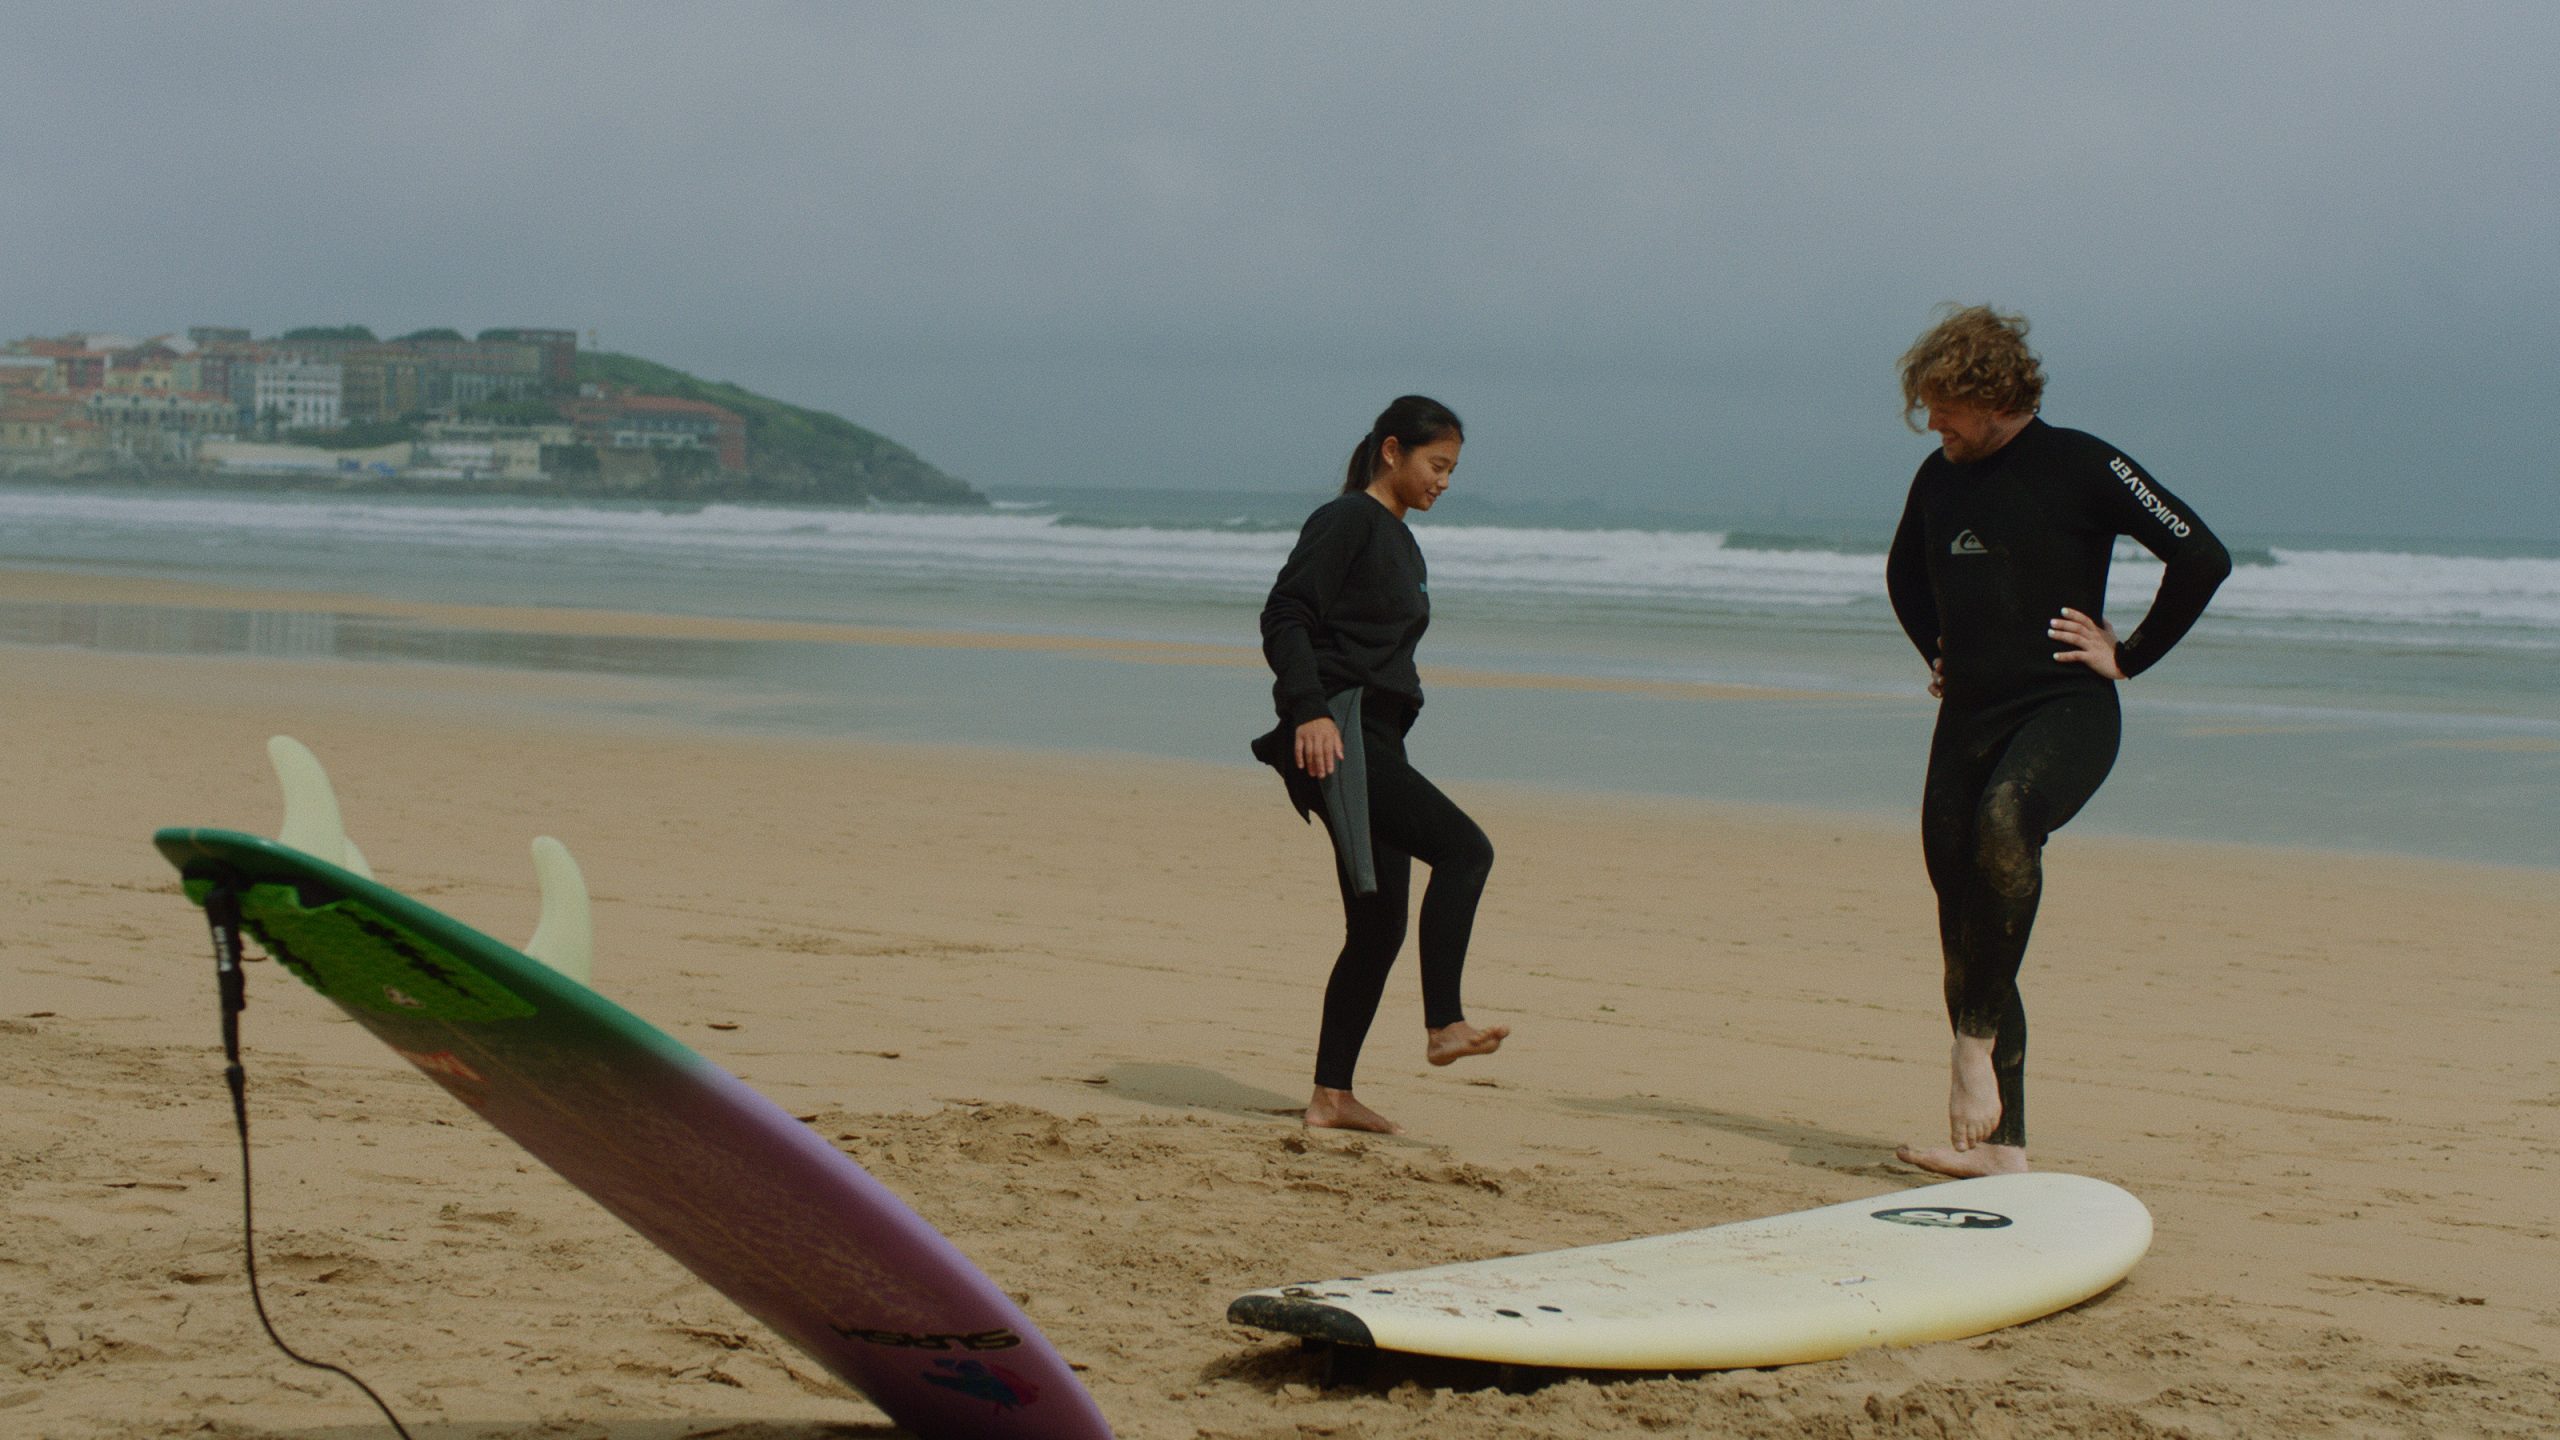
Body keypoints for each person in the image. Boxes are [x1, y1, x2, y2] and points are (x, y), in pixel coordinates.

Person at [1884, 306, 2231, 1176]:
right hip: (1967, 719)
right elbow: (1902, 574)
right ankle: (2001, 1153)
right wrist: (1937, 650)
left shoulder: (2083, 462)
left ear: (1993, 394)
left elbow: (2201, 556)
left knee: (2007, 823)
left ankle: (1971, 1054)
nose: (1932, 421)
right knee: (1965, 916)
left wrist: (2129, 655)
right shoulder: (1938, 476)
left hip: (2065, 711)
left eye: (1945, 404)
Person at [1252, 395, 1508, 1135]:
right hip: (1339, 732)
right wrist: (1309, 710)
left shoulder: (1400, 539)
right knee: (1465, 850)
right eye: (1437, 465)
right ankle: (1444, 1024)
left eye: (1452, 470)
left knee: (1377, 925)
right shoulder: (1347, 520)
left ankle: (1331, 1096)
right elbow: (1285, 614)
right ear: (1392, 451)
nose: (1444, 482)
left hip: (1375, 739)